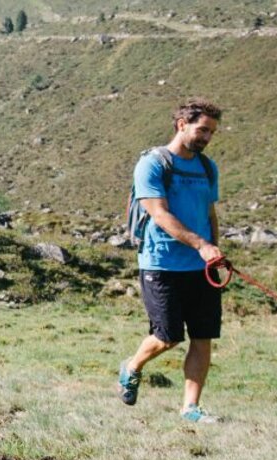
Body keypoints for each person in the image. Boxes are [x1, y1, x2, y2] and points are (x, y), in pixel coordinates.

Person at [117, 99, 225, 423]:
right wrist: (201, 244)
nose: (207, 137)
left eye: (211, 132)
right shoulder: (152, 164)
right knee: (168, 336)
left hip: (201, 266)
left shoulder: (208, 168)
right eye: (202, 129)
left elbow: (210, 213)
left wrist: (214, 252)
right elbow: (159, 213)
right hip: (161, 264)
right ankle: (132, 366)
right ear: (181, 125)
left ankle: (190, 409)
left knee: (203, 336)